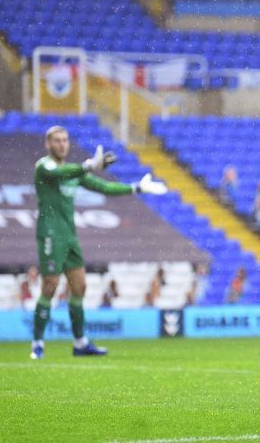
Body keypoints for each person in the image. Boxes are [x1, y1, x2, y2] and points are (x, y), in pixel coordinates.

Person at [30, 125, 167, 360]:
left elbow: (104, 187)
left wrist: (135, 187)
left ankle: (80, 342)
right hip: (50, 233)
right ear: (48, 144)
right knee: (50, 286)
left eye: (65, 140)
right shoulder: (44, 167)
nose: (62, 144)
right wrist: (89, 166)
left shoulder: (73, 174)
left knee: (80, 287)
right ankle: (38, 343)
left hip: (69, 235)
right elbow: (58, 174)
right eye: (57, 141)